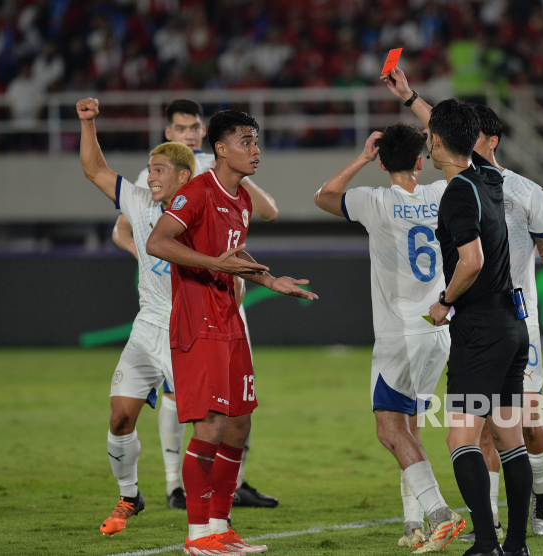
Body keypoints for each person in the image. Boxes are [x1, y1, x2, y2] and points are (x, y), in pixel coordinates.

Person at [146, 109, 317, 555]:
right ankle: (197, 534)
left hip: (230, 319)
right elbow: (157, 242)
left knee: (239, 424)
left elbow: (231, 255)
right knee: (211, 425)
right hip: (198, 322)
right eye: (246, 141)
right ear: (219, 148)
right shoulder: (196, 192)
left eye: (257, 142)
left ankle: (221, 525)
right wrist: (215, 265)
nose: (255, 150)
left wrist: (269, 279)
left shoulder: (240, 200)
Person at [383, 66, 532, 556]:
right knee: (509, 436)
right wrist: (411, 98)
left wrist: (444, 303)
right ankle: (515, 545)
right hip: (513, 326)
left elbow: (471, 261)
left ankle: (486, 542)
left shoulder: (454, 195)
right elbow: (454, 131)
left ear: (435, 143)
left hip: (480, 327)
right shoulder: (489, 177)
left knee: (460, 437)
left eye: (430, 135)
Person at [111, 99, 280, 510]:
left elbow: (267, 213)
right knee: (194, 408)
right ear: (169, 133)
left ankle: (226, 497)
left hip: (228, 306)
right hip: (183, 308)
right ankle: (182, 496)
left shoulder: (227, 185)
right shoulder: (168, 177)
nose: (189, 134)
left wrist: (271, 279)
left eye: (194, 127)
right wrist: (157, 262)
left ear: (205, 133)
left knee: (237, 411)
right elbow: (134, 235)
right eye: (181, 128)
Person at [313, 124, 462, 551]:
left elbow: (322, 196)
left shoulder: (373, 200)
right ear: (421, 161)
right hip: (439, 330)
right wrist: (433, 137)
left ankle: (439, 514)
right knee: (408, 428)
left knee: (388, 430)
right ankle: (414, 525)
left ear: (381, 162)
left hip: (399, 335)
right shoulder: (439, 194)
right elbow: (461, 164)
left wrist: (360, 158)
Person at [453, 104, 543, 541]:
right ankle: (488, 523)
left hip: (518, 322)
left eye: (473, 136)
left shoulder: (528, 192)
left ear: (491, 140)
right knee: (488, 426)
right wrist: (409, 94)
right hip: (477, 321)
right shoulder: (461, 187)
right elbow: (442, 123)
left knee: (528, 422)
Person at [76, 97, 195, 536]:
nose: (150, 175)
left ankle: (209, 512)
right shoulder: (141, 202)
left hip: (186, 330)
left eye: (159, 168)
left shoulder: (203, 210)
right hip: (147, 327)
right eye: (149, 168)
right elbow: (93, 169)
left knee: (204, 422)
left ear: (183, 176)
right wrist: (88, 124)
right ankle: (130, 495)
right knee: (119, 417)